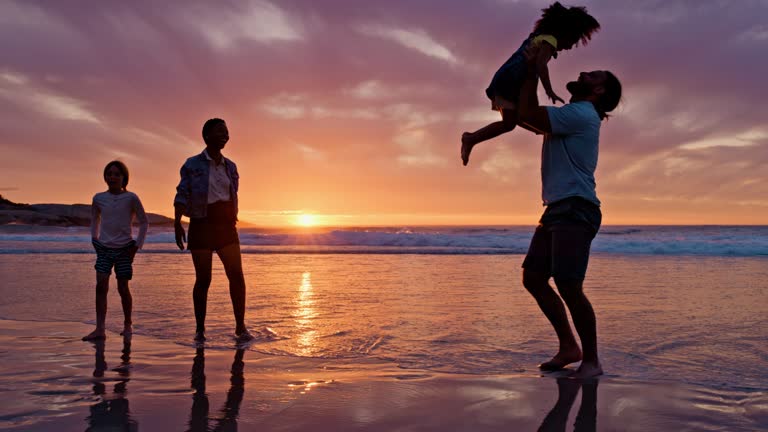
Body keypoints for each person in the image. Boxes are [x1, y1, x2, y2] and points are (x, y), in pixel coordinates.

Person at [515, 43, 622, 378]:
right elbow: (525, 117)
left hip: (576, 208)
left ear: (598, 90)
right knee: (533, 277)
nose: (582, 74)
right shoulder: (572, 116)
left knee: (568, 284)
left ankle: (591, 361)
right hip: (559, 208)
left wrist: (533, 68)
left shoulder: (581, 114)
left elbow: (531, 114)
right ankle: (568, 347)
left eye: (592, 75)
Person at [461, 2, 600, 166]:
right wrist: (549, 90)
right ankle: (471, 138)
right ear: (565, 33)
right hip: (510, 81)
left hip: (506, 79)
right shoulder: (550, 40)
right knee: (515, 121)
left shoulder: (538, 36)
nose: (570, 47)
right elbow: (540, 65)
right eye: (573, 40)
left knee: (510, 123)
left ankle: (471, 138)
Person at [174, 118, 254, 343]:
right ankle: (200, 330)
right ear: (206, 136)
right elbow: (182, 193)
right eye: (220, 132)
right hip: (201, 223)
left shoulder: (231, 166)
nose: (225, 136)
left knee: (236, 276)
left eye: (227, 132)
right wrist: (177, 222)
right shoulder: (192, 164)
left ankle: (240, 327)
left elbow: (232, 193)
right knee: (203, 279)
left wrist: (233, 218)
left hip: (226, 225)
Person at [83, 161, 148, 341]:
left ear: (124, 178)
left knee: (122, 287)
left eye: (117, 174)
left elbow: (144, 222)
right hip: (103, 248)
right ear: (105, 177)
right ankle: (100, 329)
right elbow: (94, 219)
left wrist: (137, 246)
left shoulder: (131, 198)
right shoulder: (98, 198)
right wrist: (94, 238)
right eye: (109, 174)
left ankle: (128, 325)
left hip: (125, 249)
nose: (112, 177)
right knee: (100, 287)